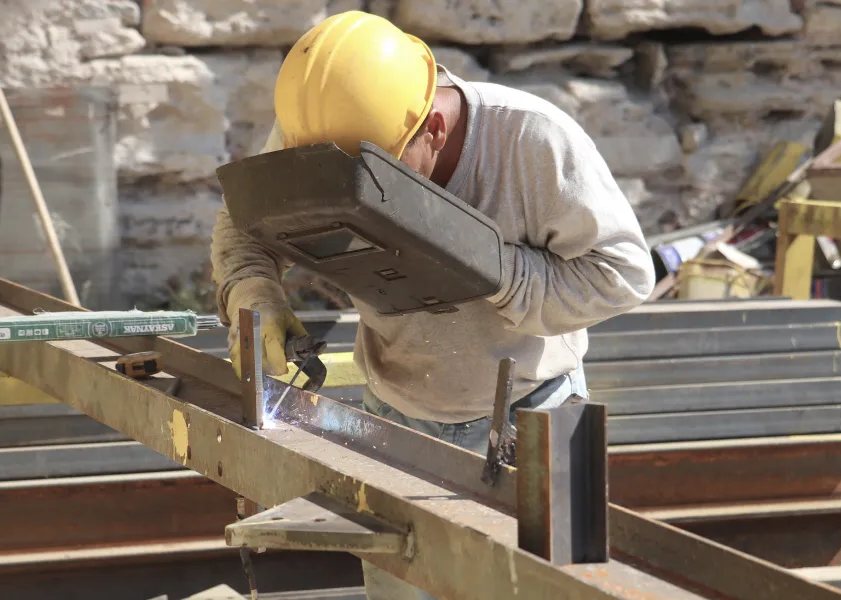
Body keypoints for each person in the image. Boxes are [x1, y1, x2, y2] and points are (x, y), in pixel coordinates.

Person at [210, 10, 654, 599]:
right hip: (393, 420)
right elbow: (243, 226)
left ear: (434, 132)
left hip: (532, 419)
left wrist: (492, 268)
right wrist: (254, 294)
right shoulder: (328, 134)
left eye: (380, 178)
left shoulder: (531, 140)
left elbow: (622, 275)